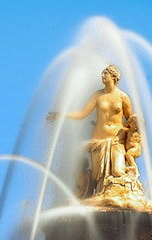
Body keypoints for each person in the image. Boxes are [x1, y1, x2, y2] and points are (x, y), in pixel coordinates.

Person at [48, 64, 134, 197]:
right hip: (98, 140)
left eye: (105, 74)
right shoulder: (97, 95)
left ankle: (119, 196)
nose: (102, 76)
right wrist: (62, 114)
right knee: (97, 177)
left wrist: (134, 138)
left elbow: (130, 121)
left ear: (114, 76)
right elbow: (82, 114)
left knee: (118, 171)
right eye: (102, 74)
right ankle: (98, 198)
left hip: (117, 141)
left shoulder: (123, 97)